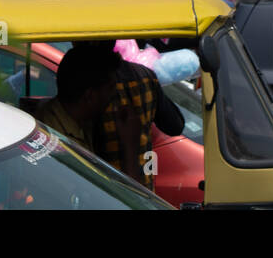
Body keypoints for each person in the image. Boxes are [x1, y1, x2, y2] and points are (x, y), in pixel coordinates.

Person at [75, 40, 183, 189]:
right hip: (142, 187)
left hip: (101, 189)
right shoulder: (145, 75)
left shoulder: (83, 83)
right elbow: (175, 126)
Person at [35, 43, 125, 155]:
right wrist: (130, 146)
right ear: (90, 96)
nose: (115, 93)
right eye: (110, 87)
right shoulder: (55, 140)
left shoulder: (80, 121)